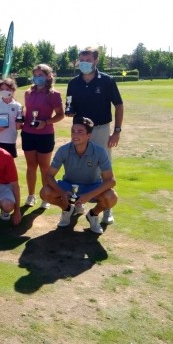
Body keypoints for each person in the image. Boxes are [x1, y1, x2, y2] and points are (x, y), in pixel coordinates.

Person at [66, 46, 123, 224]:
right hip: (80, 131)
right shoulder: (73, 83)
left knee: (103, 168)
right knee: (79, 166)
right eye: (82, 60)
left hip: (101, 129)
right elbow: (70, 106)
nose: (84, 64)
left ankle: (106, 209)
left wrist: (117, 131)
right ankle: (78, 204)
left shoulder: (107, 81)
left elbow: (119, 106)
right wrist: (69, 112)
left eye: (88, 60)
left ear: (96, 61)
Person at [40, 116, 118, 234]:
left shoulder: (99, 151)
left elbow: (111, 181)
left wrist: (88, 195)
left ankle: (93, 215)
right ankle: (67, 210)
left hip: (92, 186)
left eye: (80, 132)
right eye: (73, 131)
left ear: (89, 136)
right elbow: (49, 176)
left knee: (112, 197)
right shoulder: (63, 150)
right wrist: (62, 193)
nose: (75, 135)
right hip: (68, 186)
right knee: (45, 192)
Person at [21, 64, 64, 209]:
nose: (37, 78)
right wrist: (20, 118)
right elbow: (26, 113)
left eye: (40, 75)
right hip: (28, 133)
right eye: (35, 75)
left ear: (48, 76)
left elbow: (60, 115)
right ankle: (31, 195)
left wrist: (45, 122)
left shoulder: (54, 94)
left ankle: (46, 196)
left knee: (45, 167)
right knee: (31, 166)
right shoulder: (28, 93)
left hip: (45, 134)